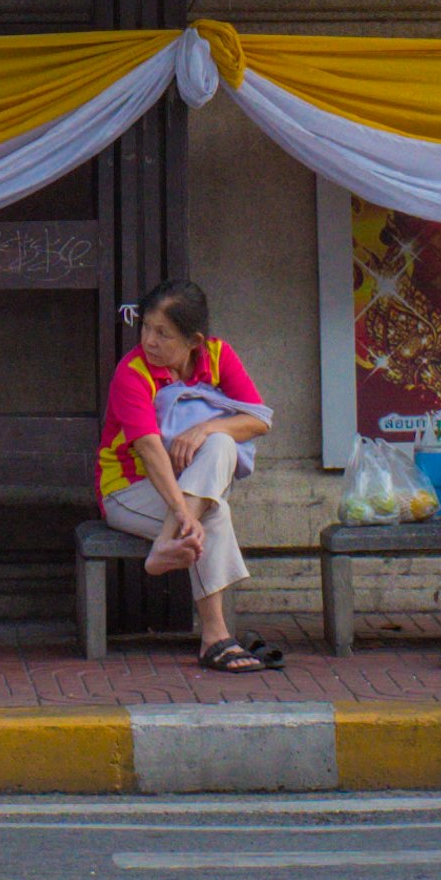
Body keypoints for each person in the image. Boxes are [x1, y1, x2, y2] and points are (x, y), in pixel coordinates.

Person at [96, 278, 279, 671]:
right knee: (213, 515)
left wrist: (206, 429)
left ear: (194, 339)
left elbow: (259, 421)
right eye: (145, 327)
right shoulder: (133, 373)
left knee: (222, 444)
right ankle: (216, 638)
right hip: (128, 490)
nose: (149, 340)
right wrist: (181, 514)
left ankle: (166, 548)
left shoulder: (218, 356)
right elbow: (148, 449)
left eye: (163, 333)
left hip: (187, 486)